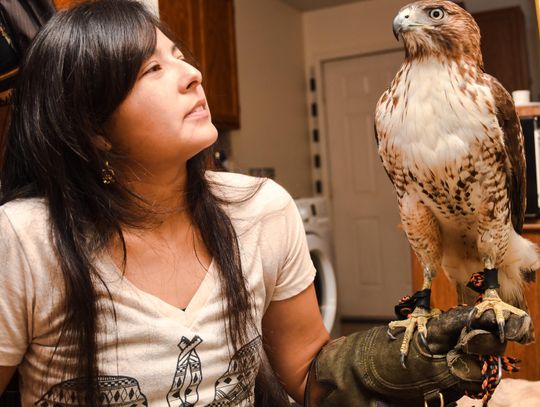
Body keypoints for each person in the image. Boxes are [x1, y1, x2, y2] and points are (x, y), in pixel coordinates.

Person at [0, 1, 531, 406]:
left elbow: (305, 372)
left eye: (180, 56)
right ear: (93, 129)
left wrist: (394, 367)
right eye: (152, 70)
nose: (193, 74)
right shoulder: (22, 241)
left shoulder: (260, 209)